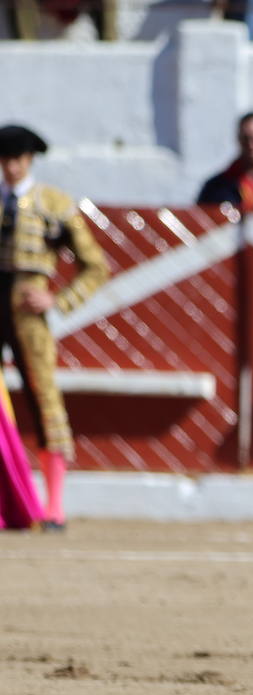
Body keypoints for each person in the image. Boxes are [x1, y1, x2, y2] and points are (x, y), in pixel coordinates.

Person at [0, 125, 110, 532]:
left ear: (30, 160)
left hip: (30, 312)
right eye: (5, 159)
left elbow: (96, 267)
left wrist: (58, 300)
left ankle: (55, 507)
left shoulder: (54, 205)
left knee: (45, 399)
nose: (10, 167)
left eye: (17, 159)